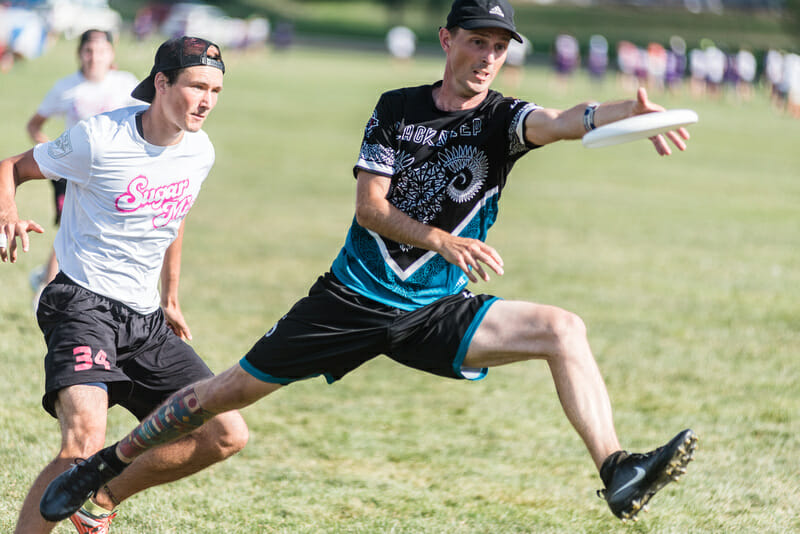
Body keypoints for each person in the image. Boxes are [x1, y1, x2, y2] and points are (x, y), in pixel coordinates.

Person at [39, 0, 697, 525]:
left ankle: (616, 468)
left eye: (499, 48)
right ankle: (104, 469)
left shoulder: (505, 119)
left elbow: (563, 119)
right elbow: (370, 209)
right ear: (448, 41)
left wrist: (630, 116)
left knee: (564, 330)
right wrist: (441, 239)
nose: (488, 58)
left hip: (433, 310)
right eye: (477, 42)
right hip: (348, 302)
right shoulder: (396, 109)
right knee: (222, 398)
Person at [0, 36, 249, 534]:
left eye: (216, 90)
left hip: (146, 320)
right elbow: (11, 167)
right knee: (82, 445)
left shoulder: (200, 152)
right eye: (197, 86)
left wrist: (170, 296)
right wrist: (8, 213)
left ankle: (103, 495)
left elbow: (174, 219)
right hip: (81, 304)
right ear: (161, 83)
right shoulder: (99, 139)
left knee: (225, 433)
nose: (207, 101)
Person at [26, 29, 140, 308]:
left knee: (100, 229)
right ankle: (45, 289)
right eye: (88, 51)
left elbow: (144, 119)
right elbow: (34, 125)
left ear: (112, 54)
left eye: (101, 51)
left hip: (112, 172)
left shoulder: (125, 84)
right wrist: (56, 153)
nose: (94, 57)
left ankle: (53, 278)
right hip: (73, 171)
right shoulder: (66, 87)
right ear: (79, 54)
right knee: (69, 225)